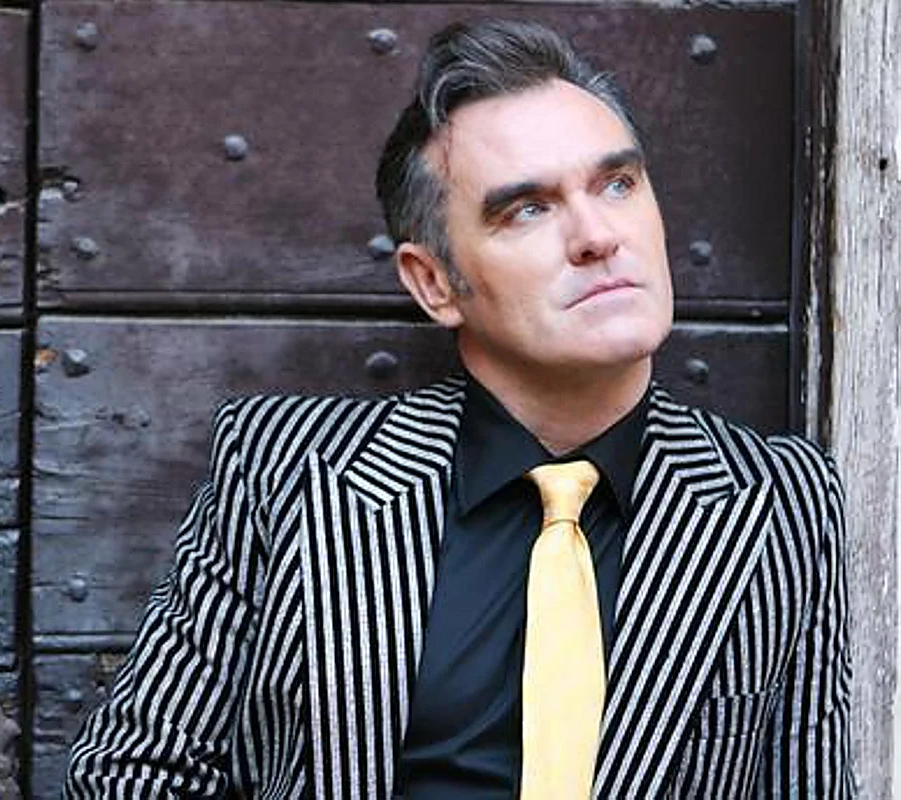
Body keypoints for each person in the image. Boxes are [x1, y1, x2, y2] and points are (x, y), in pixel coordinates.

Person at [64, 19, 851, 799]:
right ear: (434, 283)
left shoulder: (784, 501)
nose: (597, 236)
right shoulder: (286, 473)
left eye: (617, 183)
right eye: (528, 209)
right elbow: (128, 777)